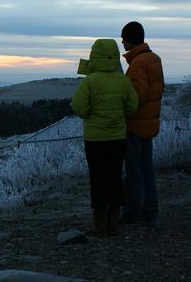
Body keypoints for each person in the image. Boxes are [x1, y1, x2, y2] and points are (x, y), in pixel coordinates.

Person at [72, 38, 139, 237]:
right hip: (118, 138)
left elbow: (79, 107)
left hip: (95, 140)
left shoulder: (90, 81)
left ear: (94, 56)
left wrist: (91, 115)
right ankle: (114, 224)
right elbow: (132, 106)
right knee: (115, 178)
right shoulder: (123, 80)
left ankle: (99, 225)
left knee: (98, 179)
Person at [120, 21, 165, 227]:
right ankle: (150, 211)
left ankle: (133, 213)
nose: (122, 42)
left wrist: (122, 110)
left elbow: (138, 95)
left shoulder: (137, 64)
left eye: (124, 38)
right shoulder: (154, 58)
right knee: (147, 170)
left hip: (136, 125)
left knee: (134, 171)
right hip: (150, 123)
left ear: (130, 39)